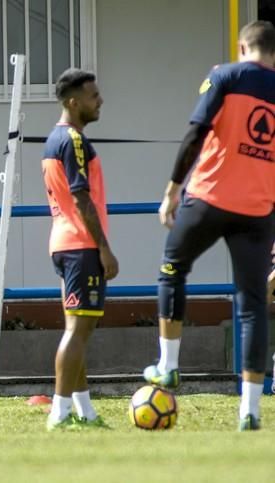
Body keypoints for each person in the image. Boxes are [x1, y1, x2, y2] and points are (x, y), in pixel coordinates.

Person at [143, 20, 275, 431]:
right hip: (257, 210)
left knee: (172, 268)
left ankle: (168, 367)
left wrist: (172, 189)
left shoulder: (224, 75)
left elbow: (195, 133)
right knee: (252, 305)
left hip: (210, 198)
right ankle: (250, 411)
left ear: (242, 46)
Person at [42, 68, 119, 430]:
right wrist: (104, 248)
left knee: (80, 327)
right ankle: (59, 412)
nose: (100, 101)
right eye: (93, 96)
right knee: (78, 330)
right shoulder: (72, 140)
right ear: (73, 102)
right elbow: (81, 197)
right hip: (80, 245)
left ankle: (84, 411)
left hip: (63, 242)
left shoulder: (54, 139)